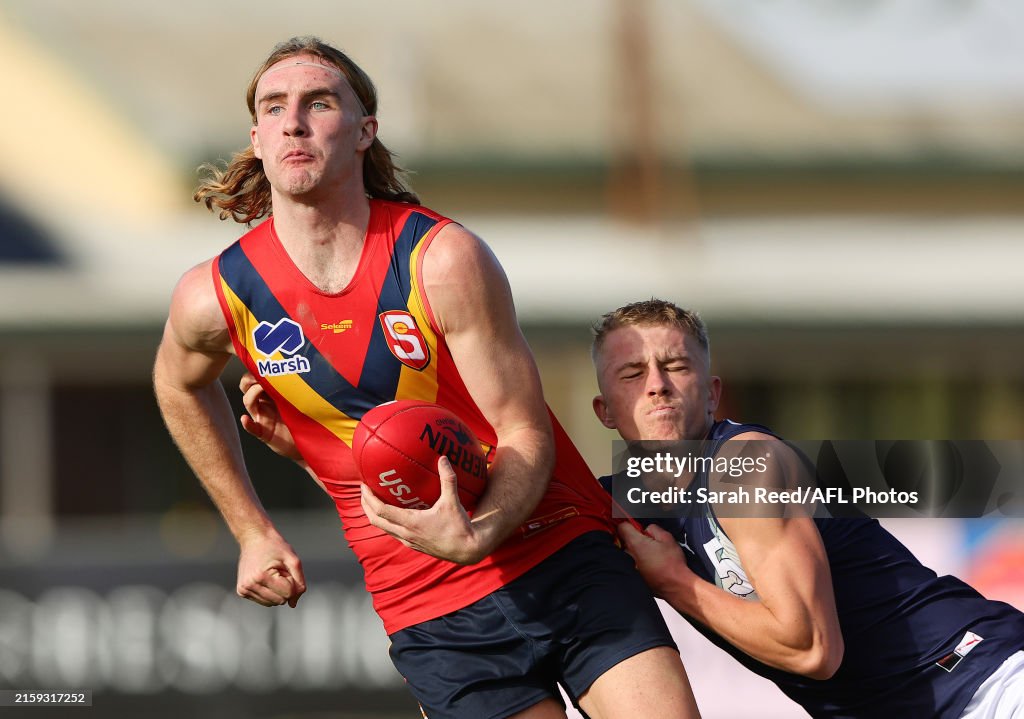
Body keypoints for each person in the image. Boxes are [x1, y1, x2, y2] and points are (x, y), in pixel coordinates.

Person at [152, 36, 699, 719]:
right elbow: (177, 383)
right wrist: (251, 529)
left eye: (319, 103)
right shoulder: (216, 295)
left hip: (557, 547)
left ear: (364, 132)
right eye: (274, 107)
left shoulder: (442, 258)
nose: (294, 120)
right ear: (257, 138)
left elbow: (523, 428)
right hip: (429, 608)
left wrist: (481, 528)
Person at [590, 299, 1024, 718]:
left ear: (711, 394)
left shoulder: (746, 462)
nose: (656, 384)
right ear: (604, 411)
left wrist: (674, 580)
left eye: (676, 366)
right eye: (632, 373)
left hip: (986, 686)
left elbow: (812, 647)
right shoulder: (619, 502)